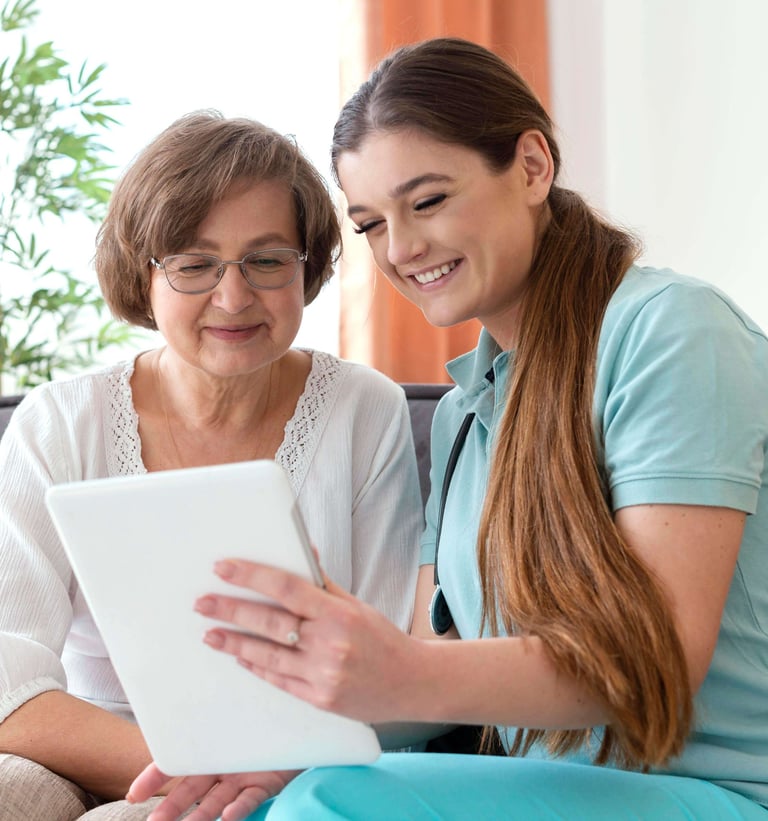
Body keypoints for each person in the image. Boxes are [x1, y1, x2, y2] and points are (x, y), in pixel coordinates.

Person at [128, 37, 768, 821]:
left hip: (722, 792)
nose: (401, 248)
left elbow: (655, 660)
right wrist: (286, 747)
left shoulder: (670, 331)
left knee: (325, 805)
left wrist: (392, 670)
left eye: (427, 201)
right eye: (370, 223)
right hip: (556, 792)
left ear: (533, 166)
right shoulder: (465, 413)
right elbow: (441, 672)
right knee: (278, 798)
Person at [0, 110, 423, 820]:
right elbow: (8, 686)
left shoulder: (364, 410)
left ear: (307, 267)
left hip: (298, 765)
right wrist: (192, 769)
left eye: (266, 260)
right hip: (96, 753)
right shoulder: (60, 422)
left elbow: (388, 664)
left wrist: (249, 772)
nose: (233, 297)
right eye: (195, 264)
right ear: (146, 275)